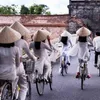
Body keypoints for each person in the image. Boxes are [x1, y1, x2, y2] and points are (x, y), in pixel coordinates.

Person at [11, 21, 37, 100]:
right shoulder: (23, 42)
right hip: (17, 66)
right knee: (23, 86)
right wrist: (34, 59)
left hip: (4, 68)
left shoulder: (7, 42)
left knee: (12, 86)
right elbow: (29, 54)